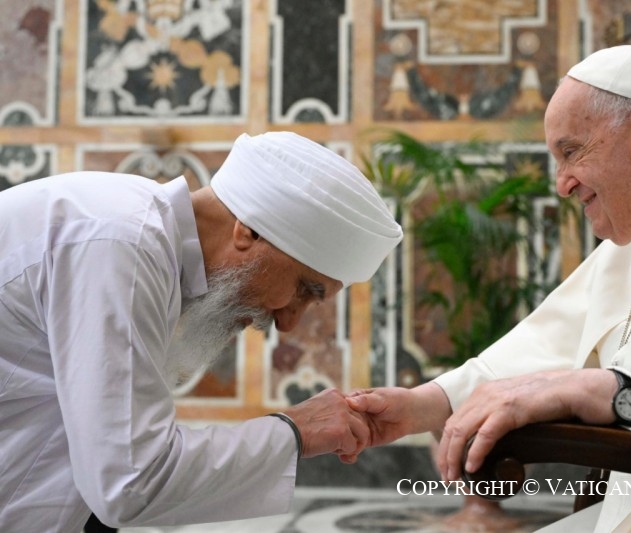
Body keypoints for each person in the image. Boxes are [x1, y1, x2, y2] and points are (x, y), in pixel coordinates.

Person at [347, 44, 631, 531]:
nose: (561, 185)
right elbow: (546, 345)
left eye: (571, 152)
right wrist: (424, 405)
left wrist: (612, 392)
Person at [0, 131, 403, 531]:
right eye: (303, 290)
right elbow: (132, 482)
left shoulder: (142, 236)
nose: (287, 322)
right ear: (249, 230)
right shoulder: (122, 244)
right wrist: (297, 431)